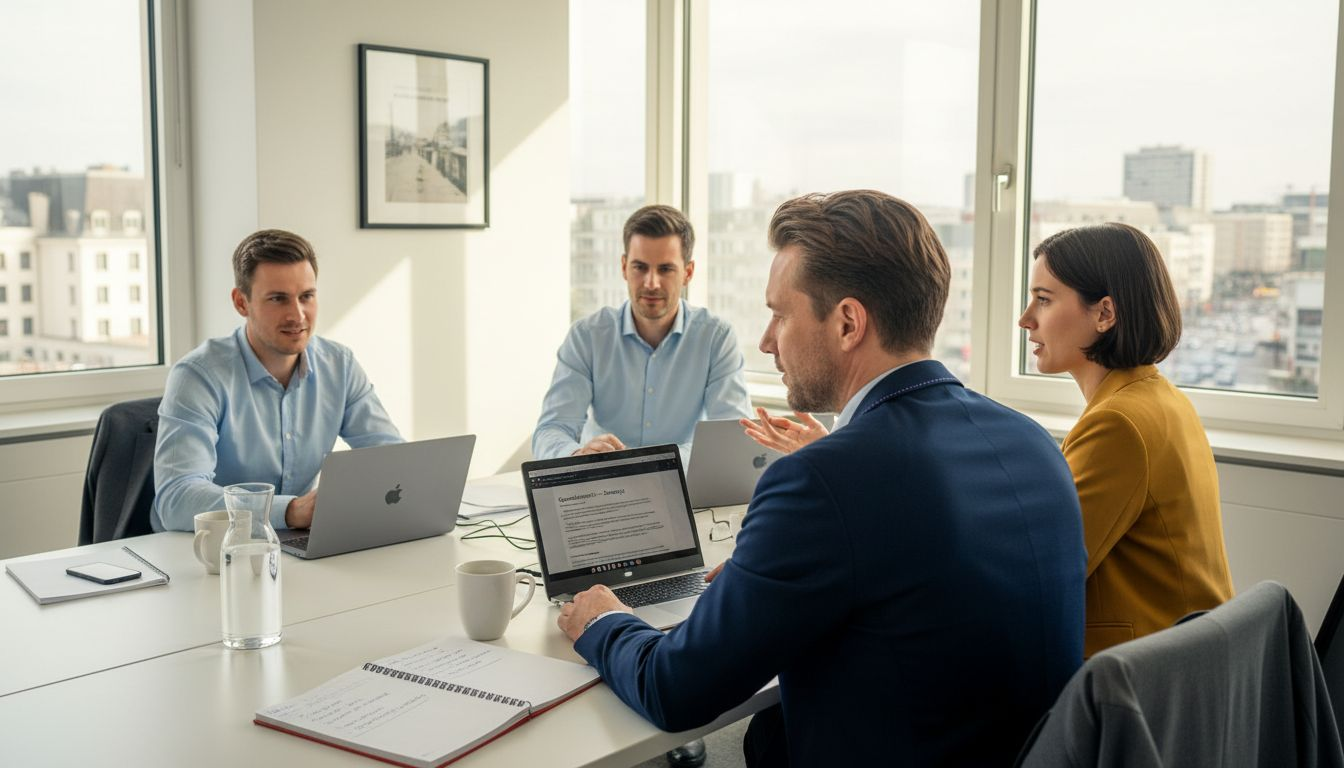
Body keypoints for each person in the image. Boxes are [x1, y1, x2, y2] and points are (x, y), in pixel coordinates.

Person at [556, 190, 1087, 766]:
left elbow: (676, 689)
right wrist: (766, 573)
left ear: (848, 323)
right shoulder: (1034, 443)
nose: (767, 341)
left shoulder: (820, 480)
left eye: (780, 315)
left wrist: (602, 619)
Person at [1017, 222, 1234, 657]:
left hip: (1151, 673)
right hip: (1188, 658)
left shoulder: (1118, 423)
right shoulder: (1159, 398)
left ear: (1104, 314)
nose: (1026, 319)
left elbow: (1041, 570)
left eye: (1044, 299)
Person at [152, 229, 402, 533]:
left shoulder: (340, 365)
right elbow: (177, 499)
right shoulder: (197, 375)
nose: (297, 315)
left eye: (306, 296)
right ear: (241, 303)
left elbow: (393, 459)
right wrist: (290, 511)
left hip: (295, 541)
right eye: (278, 299)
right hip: (209, 546)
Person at [532, 204, 751, 462]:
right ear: (624, 267)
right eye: (640, 267)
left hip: (682, 481)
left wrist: (654, 463)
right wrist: (579, 455)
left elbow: (732, 440)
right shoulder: (587, 337)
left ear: (688, 273)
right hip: (604, 479)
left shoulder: (716, 338)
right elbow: (551, 430)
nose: (651, 283)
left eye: (665, 269)